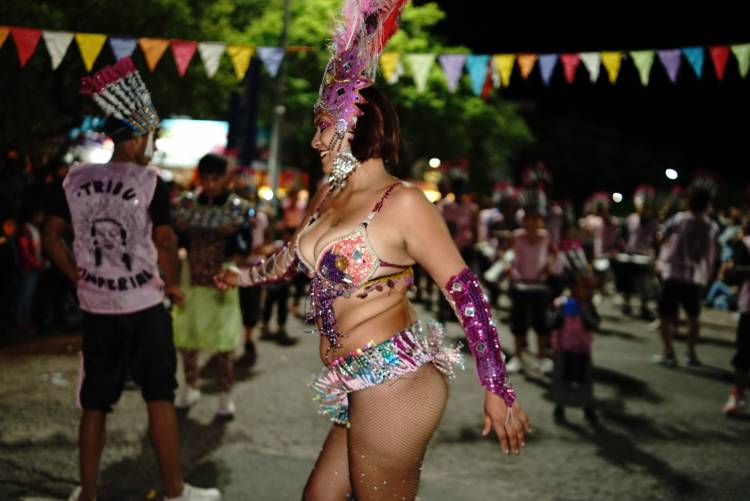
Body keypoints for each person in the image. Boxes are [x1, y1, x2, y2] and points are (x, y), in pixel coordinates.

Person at [214, 2, 530, 498]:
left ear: (351, 125)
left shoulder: (402, 202)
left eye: (322, 126)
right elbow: (288, 256)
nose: (316, 140)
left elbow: (464, 292)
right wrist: (242, 276)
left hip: (395, 383)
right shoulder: (329, 194)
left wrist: (498, 387)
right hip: (352, 380)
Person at [42, 57, 221, 501]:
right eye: (152, 137)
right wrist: (174, 282)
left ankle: (87, 493)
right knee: (159, 394)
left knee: (95, 402)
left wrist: (77, 275)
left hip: (96, 307)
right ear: (138, 135)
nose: (153, 146)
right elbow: (163, 241)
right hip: (142, 305)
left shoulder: (74, 179)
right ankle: (176, 492)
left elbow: (50, 236)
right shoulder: (149, 182)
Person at [172, 153, 252, 417]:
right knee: (187, 338)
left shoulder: (237, 207)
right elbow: (177, 237)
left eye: (215, 179)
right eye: (205, 178)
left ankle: (225, 396)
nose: (209, 184)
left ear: (225, 179)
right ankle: (190, 386)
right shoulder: (186, 204)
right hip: (191, 278)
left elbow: (245, 245)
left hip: (222, 280)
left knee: (224, 342)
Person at [654, 175, 719, 367]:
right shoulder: (710, 226)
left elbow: (662, 238)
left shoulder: (679, 219)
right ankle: (690, 353)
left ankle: (668, 352)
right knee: (693, 318)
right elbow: (710, 255)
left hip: (673, 273)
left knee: (665, 316)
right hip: (693, 276)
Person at [505, 189, 557, 375]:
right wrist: (509, 267)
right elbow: (508, 256)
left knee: (541, 325)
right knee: (518, 323)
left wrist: (550, 265)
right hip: (520, 285)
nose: (533, 222)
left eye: (537, 218)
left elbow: (553, 254)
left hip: (540, 285)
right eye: (529, 218)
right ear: (524, 219)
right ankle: (518, 357)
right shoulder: (517, 236)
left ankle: (541, 357)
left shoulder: (546, 236)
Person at [549, 270, 600, 426]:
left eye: (586, 288)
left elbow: (595, 324)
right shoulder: (562, 303)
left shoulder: (589, 306)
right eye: (580, 287)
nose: (583, 291)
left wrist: (583, 313)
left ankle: (587, 408)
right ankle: (560, 407)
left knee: (584, 381)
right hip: (562, 348)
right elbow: (551, 323)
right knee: (561, 380)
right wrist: (561, 311)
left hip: (582, 348)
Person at [722, 225, 750, 414]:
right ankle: (737, 394)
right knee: (744, 354)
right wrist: (733, 269)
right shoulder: (747, 243)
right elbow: (733, 273)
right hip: (749, 307)